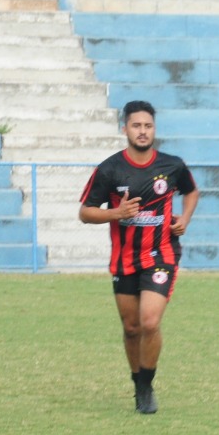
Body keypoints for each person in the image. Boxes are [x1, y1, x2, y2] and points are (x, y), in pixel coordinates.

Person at [79, 100, 199, 414]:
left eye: (148, 126)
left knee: (150, 321)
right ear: (125, 129)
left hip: (162, 254)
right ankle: (137, 383)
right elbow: (85, 213)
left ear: (153, 129)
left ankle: (147, 387)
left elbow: (191, 191)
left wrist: (184, 218)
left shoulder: (172, 166)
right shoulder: (109, 169)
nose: (142, 131)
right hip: (124, 259)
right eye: (136, 126)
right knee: (131, 328)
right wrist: (117, 213)